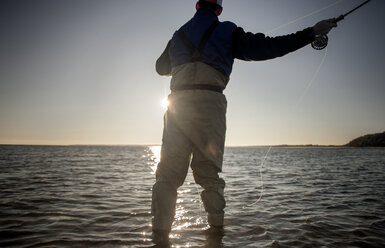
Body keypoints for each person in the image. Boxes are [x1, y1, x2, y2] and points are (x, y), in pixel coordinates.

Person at [152, 0, 337, 241]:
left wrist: (184, 56)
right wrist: (312, 32)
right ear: (219, 9)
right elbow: (267, 48)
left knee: (167, 175)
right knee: (209, 176)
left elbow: (160, 67)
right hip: (210, 103)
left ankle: (159, 237)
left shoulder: (178, 34)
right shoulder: (227, 30)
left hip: (176, 105)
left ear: (197, 6)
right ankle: (216, 235)